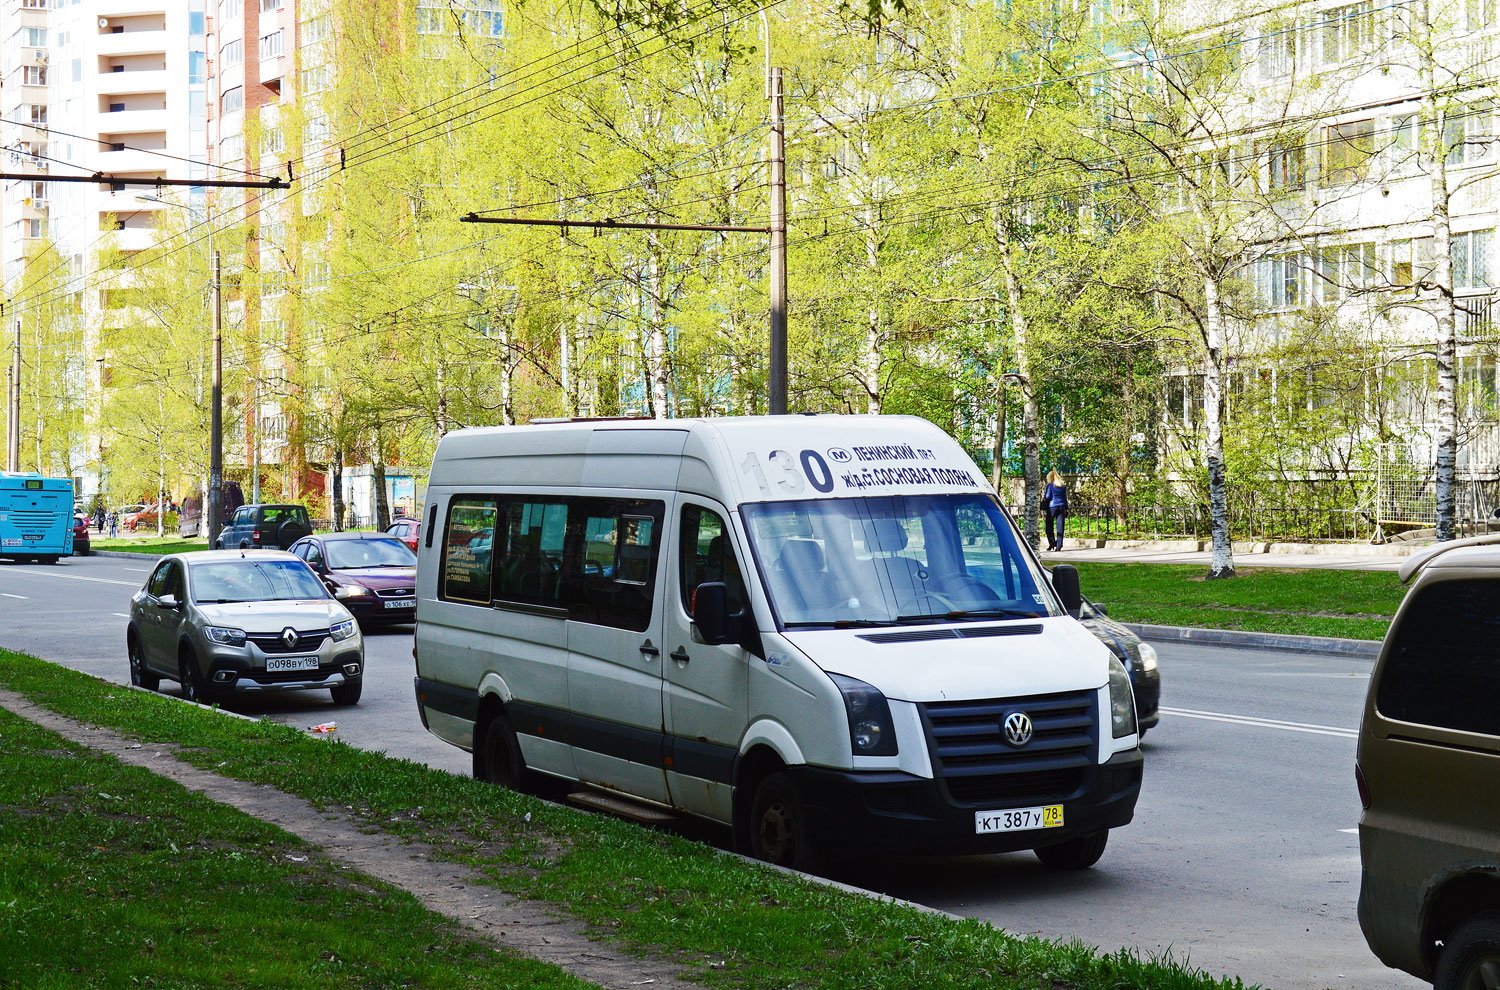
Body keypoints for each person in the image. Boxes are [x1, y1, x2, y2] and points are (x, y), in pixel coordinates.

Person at [1044, 470, 1069, 551]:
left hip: (1052, 507)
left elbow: (1047, 497)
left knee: (1048, 525)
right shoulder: (1063, 486)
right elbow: (1065, 498)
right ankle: (1058, 545)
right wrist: (1067, 509)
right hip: (1061, 507)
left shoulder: (1050, 485)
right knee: (1060, 526)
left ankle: (1051, 542)